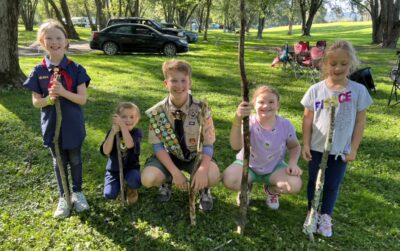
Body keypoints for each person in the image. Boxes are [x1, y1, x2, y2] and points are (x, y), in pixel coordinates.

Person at [301, 41, 373, 237]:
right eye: (333, 63)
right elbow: (307, 119)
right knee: (313, 182)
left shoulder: (358, 91)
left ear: (351, 64)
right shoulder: (316, 90)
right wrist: (305, 144)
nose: (338, 68)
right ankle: (312, 212)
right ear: (325, 64)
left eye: (343, 63)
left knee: (332, 184)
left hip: (340, 150)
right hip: (317, 147)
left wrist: (354, 149)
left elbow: (360, 123)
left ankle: (326, 216)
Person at [23, 20, 91, 218]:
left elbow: (82, 99)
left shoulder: (76, 69)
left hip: (73, 125)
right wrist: (49, 100)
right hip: (52, 126)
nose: (54, 42)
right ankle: (63, 196)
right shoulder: (39, 71)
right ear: (43, 43)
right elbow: (36, 102)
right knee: (58, 160)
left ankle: (77, 193)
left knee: (75, 159)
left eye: (59, 38)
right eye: (49, 38)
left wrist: (62, 92)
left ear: (66, 41)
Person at [141, 59, 220, 212]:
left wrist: (203, 169)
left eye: (183, 80)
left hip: (194, 156)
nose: (179, 85)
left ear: (190, 82)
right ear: (166, 83)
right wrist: (175, 172)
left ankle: (204, 189)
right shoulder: (157, 112)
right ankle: (168, 179)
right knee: (148, 178)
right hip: (169, 156)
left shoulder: (201, 109)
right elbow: (158, 146)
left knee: (212, 175)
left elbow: (208, 144)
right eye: (174, 80)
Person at [223, 85, 303, 210]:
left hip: (274, 167)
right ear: (254, 104)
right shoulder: (248, 122)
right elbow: (235, 145)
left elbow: (294, 146)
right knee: (229, 179)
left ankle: (271, 190)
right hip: (247, 165)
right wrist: (238, 119)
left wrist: (293, 163)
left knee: (294, 184)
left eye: (271, 102)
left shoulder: (285, 125)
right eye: (261, 102)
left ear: (278, 104)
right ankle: (246, 186)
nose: (266, 106)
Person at [100, 102, 143, 205]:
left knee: (135, 181)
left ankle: (131, 189)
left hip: (131, 168)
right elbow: (106, 151)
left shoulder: (137, 133)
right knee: (109, 194)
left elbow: (129, 145)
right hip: (114, 170)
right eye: (124, 117)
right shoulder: (113, 131)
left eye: (132, 117)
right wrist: (112, 133)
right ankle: (117, 183)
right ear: (117, 118)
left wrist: (123, 126)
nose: (128, 120)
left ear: (137, 119)